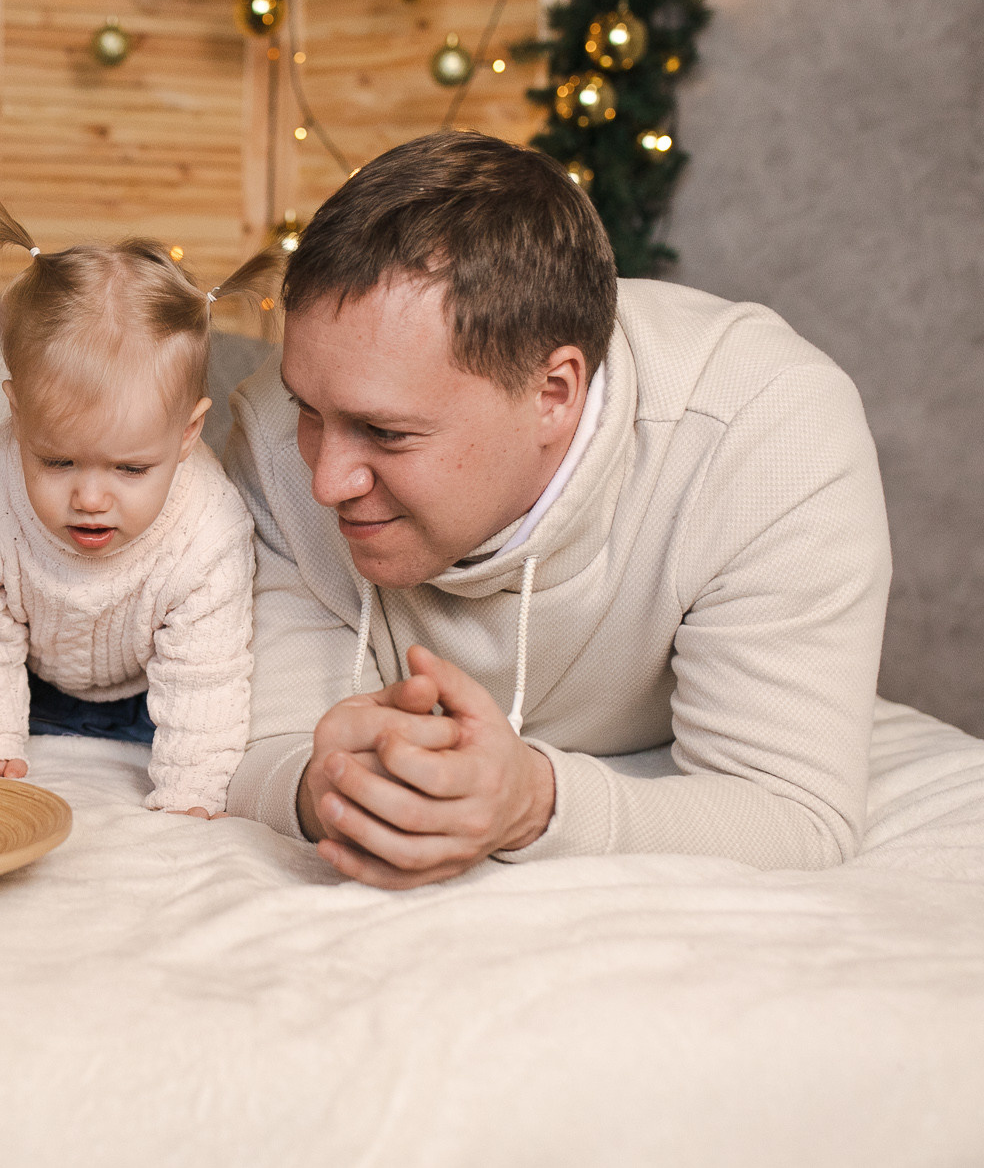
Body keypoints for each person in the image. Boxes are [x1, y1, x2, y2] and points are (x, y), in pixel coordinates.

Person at [224, 130, 891, 887]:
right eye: (310, 408)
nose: (326, 480)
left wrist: (532, 801)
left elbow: (795, 811)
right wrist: (324, 788)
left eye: (386, 431)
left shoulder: (766, 430)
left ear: (554, 394)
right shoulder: (275, 442)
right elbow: (257, 752)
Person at [0, 203, 280, 814]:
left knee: (235, 715)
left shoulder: (210, 522)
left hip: (150, 694)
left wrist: (193, 786)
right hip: (22, 683)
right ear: (17, 414)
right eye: (57, 462)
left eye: (131, 470)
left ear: (189, 434)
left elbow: (206, 672)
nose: (90, 500)